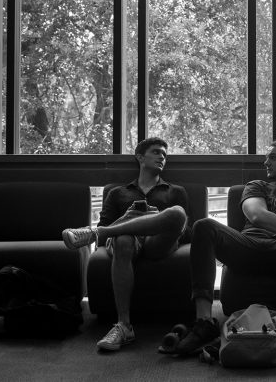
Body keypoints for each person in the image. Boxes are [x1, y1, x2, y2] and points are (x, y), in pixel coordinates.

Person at [168, 134, 276, 355]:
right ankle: (204, 322)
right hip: (249, 246)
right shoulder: (258, 186)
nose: (266, 162)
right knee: (204, 226)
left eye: (273, 157)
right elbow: (257, 216)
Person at [62, 137, 189, 352]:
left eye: (165, 155)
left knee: (176, 213)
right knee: (122, 238)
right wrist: (127, 219)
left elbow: (186, 231)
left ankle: (93, 233)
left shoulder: (176, 191)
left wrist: (156, 220)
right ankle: (124, 326)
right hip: (128, 243)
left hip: (158, 243)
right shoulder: (118, 193)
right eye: (157, 152)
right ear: (140, 157)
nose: (162, 157)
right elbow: (107, 239)